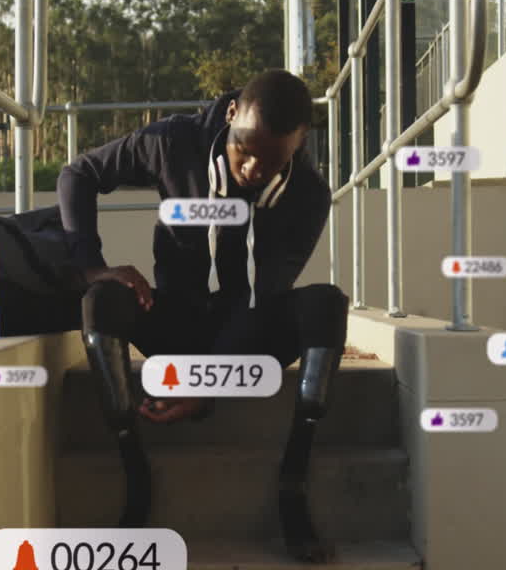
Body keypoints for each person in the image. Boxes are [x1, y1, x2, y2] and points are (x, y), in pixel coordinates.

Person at [58, 69, 347, 563]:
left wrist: (207, 383)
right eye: (245, 149)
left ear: (298, 145)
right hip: (177, 318)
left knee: (326, 305)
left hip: (249, 330)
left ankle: (292, 488)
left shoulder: (309, 195)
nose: (254, 168)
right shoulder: (174, 141)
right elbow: (78, 174)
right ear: (232, 113)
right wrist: (92, 266)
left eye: (273, 158)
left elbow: (262, 296)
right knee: (100, 302)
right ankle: (136, 475)